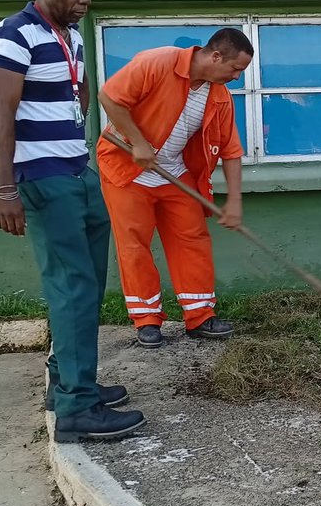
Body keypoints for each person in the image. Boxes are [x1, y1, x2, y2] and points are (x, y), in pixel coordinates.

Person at [0, 0, 145, 443]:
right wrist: (5, 189)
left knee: (88, 284)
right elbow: (1, 117)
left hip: (79, 171)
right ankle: (76, 411)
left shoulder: (70, 37)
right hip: (43, 180)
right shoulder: (12, 37)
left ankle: (70, 383)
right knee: (71, 286)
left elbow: (73, 101)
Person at [95, 28, 250, 348]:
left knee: (191, 238)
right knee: (134, 244)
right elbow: (109, 96)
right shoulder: (157, 62)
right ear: (216, 56)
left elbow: (231, 151)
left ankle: (199, 316)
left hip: (175, 175)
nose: (237, 78)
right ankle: (147, 319)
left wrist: (234, 201)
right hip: (127, 170)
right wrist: (138, 142)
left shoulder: (219, 97)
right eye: (235, 69)